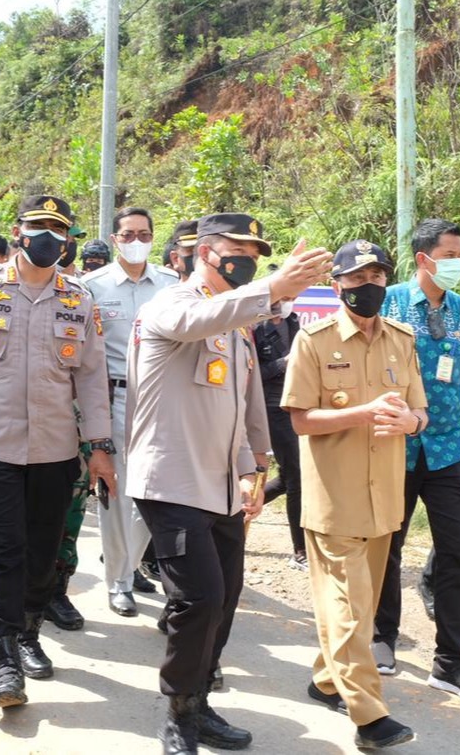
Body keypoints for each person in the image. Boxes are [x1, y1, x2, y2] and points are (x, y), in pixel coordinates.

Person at [127, 213, 330, 754]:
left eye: (256, 253)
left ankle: (199, 701)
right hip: (169, 479)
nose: (248, 260)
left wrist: (251, 468)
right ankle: (178, 714)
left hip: (221, 484)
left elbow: (239, 409)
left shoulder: (238, 326)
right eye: (238, 250)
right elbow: (199, 320)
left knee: (226, 597)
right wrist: (274, 289)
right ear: (207, 253)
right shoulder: (170, 304)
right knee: (199, 597)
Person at [0, 194, 115, 709]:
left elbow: (92, 379)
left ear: (68, 240)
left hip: (55, 452)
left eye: (58, 232)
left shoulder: (78, 299)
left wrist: (99, 447)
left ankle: (30, 629)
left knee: (40, 558)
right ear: (18, 232)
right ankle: (5, 657)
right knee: (2, 553)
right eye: (39, 229)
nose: (48, 240)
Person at [282, 239, 426, 751]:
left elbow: (418, 411)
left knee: (361, 607)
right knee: (346, 605)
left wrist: (411, 421)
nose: (370, 287)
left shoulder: (401, 339)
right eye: (358, 279)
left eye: (378, 277)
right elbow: (300, 419)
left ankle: (326, 680)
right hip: (335, 498)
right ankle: (368, 715)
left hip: (384, 496)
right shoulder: (314, 341)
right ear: (338, 284)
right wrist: (359, 415)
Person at [371, 218, 460, 706]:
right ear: (424, 259)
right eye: (451, 256)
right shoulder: (392, 303)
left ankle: (451, 663)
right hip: (394, 448)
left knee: (456, 555)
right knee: (388, 546)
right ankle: (382, 637)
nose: (459, 264)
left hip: (451, 450)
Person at [83, 207, 179, 617]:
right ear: (115, 238)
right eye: (128, 233)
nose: (136, 240)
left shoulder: (173, 285)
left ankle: (132, 564)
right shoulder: (91, 286)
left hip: (163, 402)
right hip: (114, 399)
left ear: (153, 238)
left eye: (143, 233)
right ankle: (119, 581)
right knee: (117, 493)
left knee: (154, 494)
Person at [253, 302, 305, 568]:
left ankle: (243, 512)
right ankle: (301, 551)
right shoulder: (254, 327)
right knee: (297, 477)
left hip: (295, 404)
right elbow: (250, 373)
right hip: (271, 407)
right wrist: (282, 363)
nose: (284, 303)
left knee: (288, 478)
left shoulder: (294, 322)